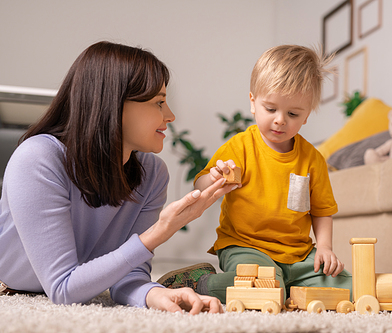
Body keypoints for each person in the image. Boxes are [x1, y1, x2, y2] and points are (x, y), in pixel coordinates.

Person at [0, 41, 237, 314]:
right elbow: (63, 288)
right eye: (159, 102)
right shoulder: (38, 158)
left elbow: (128, 274)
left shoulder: (153, 175)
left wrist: (156, 294)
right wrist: (160, 231)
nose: (170, 116)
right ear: (114, 104)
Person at [158, 45, 352, 303]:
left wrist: (325, 248)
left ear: (306, 116)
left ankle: (288, 286)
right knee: (268, 288)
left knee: (349, 287)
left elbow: (322, 210)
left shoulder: (312, 159)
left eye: (293, 113)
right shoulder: (240, 147)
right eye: (271, 109)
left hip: (297, 255)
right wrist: (215, 176)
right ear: (253, 102)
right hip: (244, 246)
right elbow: (201, 183)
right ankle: (201, 282)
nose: (280, 120)